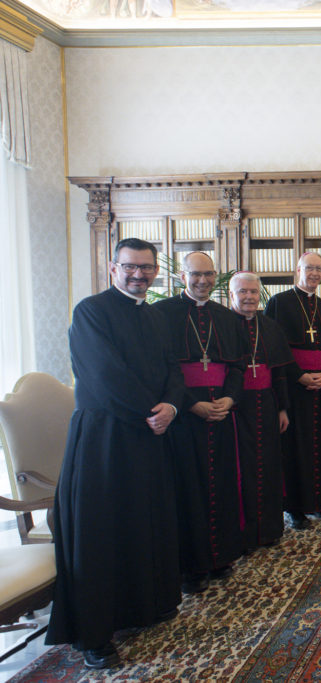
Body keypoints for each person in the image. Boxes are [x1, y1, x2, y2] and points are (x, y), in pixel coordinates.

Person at [48, 238, 184, 669]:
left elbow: (174, 370)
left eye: (146, 268)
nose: (138, 275)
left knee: (144, 522)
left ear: (156, 272)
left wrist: (172, 405)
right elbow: (105, 374)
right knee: (100, 534)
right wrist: (152, 410)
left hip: (148, 435)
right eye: (130, 267)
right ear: (113, 267)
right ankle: (95, 635)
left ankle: (143, 608)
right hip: (104, 440)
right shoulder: (91, 311)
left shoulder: (158, 316)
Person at [153, 251, 246, 594]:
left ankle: (220, 556)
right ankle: (191, 567)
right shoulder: (161, 315)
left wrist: (230, 400)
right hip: (182, 418)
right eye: (195, 274)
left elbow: (236, 367)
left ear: (216, 276)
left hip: (220, 414)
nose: (202, 281)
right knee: (188, 489)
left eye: (208, 274)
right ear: (181, 276)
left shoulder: (226, 316)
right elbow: (163, 370)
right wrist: (192, 405)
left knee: (220, 483)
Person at [264, 252, 321, 529]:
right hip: (293, 386)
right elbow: (275, 347)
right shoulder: (279, 302)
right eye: (310, 268)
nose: (315, 274)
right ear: (298, 269)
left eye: (320, 269)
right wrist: (299, 376)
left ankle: (320, 501)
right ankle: (295, 508)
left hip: (320, 385)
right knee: (295, 447)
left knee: (320, 444)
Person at [228, 271, 295, 550]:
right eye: (242, 292)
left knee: (268, 464)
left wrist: (282, 409)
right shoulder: (224, 324)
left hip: (266, 405)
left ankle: (269, 529)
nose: (249, 297)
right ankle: (242, 534)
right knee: (239, 468)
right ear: (232, 294)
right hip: (236, 407)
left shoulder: (270, 326)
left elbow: (279, 372)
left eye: (253, 292)